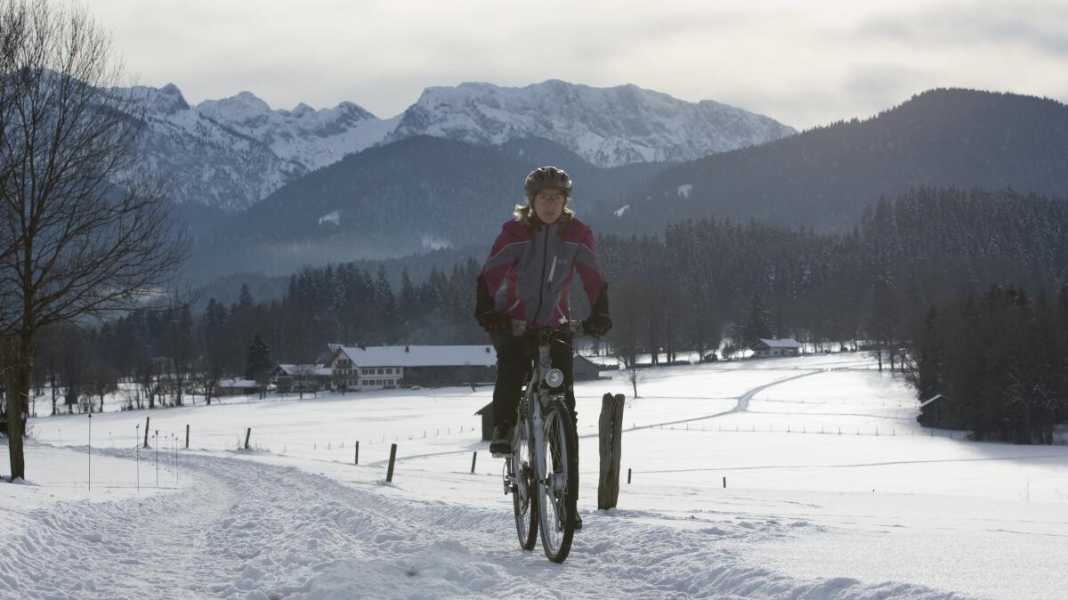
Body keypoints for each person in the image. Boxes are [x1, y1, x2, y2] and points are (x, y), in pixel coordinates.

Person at [475, 166, 612, 527]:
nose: (550, 204)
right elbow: (490, 273)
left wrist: (600, 311)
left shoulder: (577, 234)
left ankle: (568, 503)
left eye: (557, 198)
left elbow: (593, 276)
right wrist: (489, 311)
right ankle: (504, 428)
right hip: (514, 321)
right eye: (543, 198)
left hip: (555, 323)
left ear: (566, 202)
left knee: (565, 406)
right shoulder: (515, 232)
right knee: (511, 368)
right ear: (531, 201)